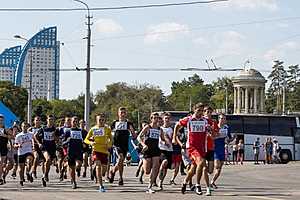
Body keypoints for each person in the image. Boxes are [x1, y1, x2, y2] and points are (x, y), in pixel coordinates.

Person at [174, 103, 211, 196]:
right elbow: (177, 125)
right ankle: (198, 185)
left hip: (202, 147)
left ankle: (185, 182)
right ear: (194, 110)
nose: (200, 112)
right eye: (198, 110)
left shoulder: (205, 120)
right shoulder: (189, 119)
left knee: (193, 169)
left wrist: (210, 130)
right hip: (192, 147)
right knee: (201, 163)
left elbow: (211, 130)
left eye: (202, 111)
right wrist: (174, 137)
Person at [138, 112, 166, 193]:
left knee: (155, 168)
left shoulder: (159, 129)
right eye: (154, 118)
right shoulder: (148, 127)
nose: (156, 119)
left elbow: (163, 138)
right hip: (147, 150)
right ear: (151, 119)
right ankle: (143, 163)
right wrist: (143, 145)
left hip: (156, 150)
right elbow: (139, 137)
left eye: (157, 118)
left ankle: (150, 186)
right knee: (147, 171)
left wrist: (165, 142)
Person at [84, 113, 113, 192]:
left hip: (104, 151)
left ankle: (95, 172)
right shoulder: (93, 129)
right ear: (96, 120)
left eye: (102, 120)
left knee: (103, 170)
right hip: (96, 150)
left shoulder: (107, 129)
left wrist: (109, 144)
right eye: (99, 120)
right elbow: (86, 139)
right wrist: (91, 143)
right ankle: (101, 186)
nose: (101, 121)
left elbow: (111, 138)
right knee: (98, 166)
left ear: (105, 120)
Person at [109, 107, 136, 186]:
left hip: (124, 145)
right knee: (120, 158)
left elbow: (134, 134)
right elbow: (109, 131)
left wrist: (134, 135)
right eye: (121, 113)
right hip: (116, 145)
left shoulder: (128, 123)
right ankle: (120, 178)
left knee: (121, 162)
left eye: (124, 112)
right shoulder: (115, 122)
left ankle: (114, 172)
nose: (123, 114)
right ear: (118, 114)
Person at [34, 114, 60, 187]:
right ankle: (44, 175)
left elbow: (57, 140)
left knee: (48, 163)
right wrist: (39, 143)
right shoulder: (43, 128)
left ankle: (45, 175)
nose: (51, 121)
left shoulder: (55, 129)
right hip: (44, 148)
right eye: (49, 119)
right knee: (47, 160)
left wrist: (54, 136)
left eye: (52, 119)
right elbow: (35, 136)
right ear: (47, 120)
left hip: (52, 148)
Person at [210, 114, 233, 189]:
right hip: (215, 148)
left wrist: (233, 138)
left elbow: (229, 140)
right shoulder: (215, 126)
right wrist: (217, 136)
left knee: (219, 168)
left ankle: (212, 181)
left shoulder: (227, 128)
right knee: (217, 166)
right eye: (221, 118)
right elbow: (211, 137)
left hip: (222, 149)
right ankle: (207, 169)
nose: (223, 120)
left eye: (224, 118)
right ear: (218, 119)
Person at [62, 116, 84, 189]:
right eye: (73, 121)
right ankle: (73, 182)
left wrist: (85, 144)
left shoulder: (81, 131)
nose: (75, 123)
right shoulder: (68, 131)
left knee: (78, 164)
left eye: (76, 121)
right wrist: (67, 141)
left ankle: (78, 169)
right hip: (70, 151)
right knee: (72, 168)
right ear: (71, 122)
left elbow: (86, 140)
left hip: (79, 151)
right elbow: (63, 142)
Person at [202, 106, 219, 196]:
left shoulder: (213, 122)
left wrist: (212, 132)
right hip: (202, 147)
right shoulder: (201, 121)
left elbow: (217, 134)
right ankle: (207, 188)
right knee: (204, 168)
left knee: (210, 170)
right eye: (207, 112)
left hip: (211, 148)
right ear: (204, 112)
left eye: (210, 112)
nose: (208, 113)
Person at [14, 122, 34, 186]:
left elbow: (34, 141)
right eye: (23, 126)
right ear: (21, 127)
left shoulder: (31, 134)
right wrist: (18, 145)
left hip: (29, 151)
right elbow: (15, 144)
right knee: (21, 168)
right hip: (21, 152)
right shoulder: (18, 135)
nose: (25, 128)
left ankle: (28, 172)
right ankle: (21, 179)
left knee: (29, 160)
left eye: (26, 126)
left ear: (28, 127)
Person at [158, 112, 173, 190]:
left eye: (168, 118)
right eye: (166, 118)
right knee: (164, 162)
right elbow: (159, 138)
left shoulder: (171, 129)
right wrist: (164, 142)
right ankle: (160, 170)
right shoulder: (160, 128)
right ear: (163, 119)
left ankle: (161, 182)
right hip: (161, 149)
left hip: (170, 149)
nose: (167, 120)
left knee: (166, 168)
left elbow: (173, 139)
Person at [0, 114, 12, 185]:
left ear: (3, 121)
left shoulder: (6, 129)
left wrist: (5, 136)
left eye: (1, 120)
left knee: (1, 163)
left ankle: (0, 178)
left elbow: (12, 137)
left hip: (3, 147)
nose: (0, 122)